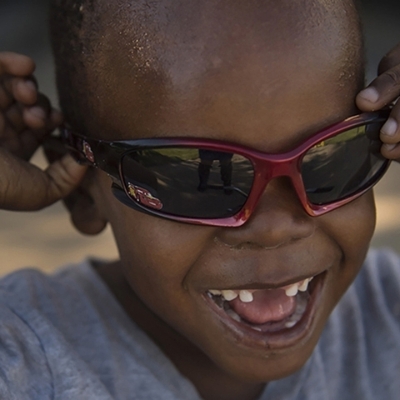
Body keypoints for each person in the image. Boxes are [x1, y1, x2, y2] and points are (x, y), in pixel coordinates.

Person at [0, 1, 400, 399]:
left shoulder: (388, 313)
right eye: (201, 178)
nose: (275, 226)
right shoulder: (24, 356)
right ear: (84, 193)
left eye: (332, 158)